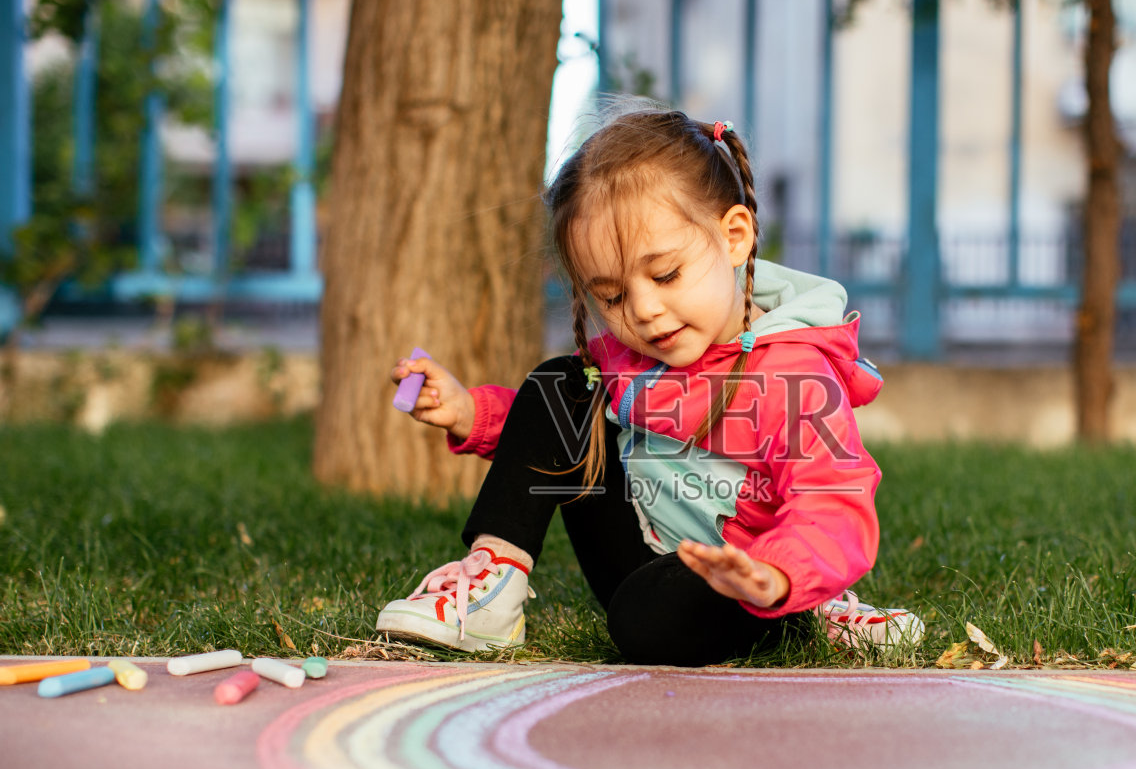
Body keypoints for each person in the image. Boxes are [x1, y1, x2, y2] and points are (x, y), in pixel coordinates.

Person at [377, 107, 919, 666]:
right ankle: (491, 590)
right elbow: (559, 437)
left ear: (734, 237)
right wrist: (471, 413)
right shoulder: (630, 356)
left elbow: (833, 501)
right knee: (563, 382)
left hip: (736, 582)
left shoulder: (796, 374)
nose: (644, 311)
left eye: (665, 275)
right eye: (610, 296)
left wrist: (776, 575)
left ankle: (806, 610)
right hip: (635, 556)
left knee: (643, 622)